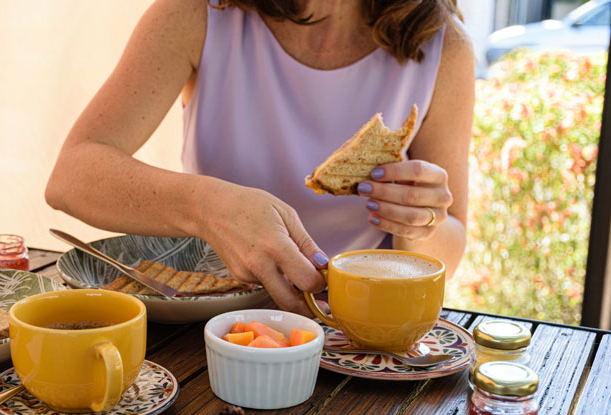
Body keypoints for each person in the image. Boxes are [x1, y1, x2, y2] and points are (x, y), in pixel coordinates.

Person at [45, 0, 474, 316]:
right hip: (215, 328)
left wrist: (418, 225)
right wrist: (207, 207)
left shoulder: (442, 46)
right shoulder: (199, 14)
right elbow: (72, 175)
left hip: (357, 339)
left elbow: (450, 245)